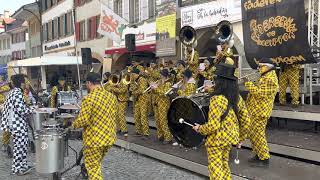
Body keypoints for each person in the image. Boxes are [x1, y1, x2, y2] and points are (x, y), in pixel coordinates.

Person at [193, 63, 251, 180]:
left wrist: (200, 128)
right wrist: (241, 138)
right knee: (224, 165)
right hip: (229, 138)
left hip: (216, 140)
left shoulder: (216, 99)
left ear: (220, 81)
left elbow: (213, 126)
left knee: (216, 171)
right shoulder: (237, 97)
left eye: (216, 79)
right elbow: (246, 120)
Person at [71, 72, 117, 180]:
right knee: (96, 165)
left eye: (86, 84)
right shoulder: (111, 96)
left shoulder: (89, 99)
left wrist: (72, 125)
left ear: (89, 83)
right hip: (109, 138)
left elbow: (83, 121)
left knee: (93, 167)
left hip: (94, 141)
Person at [244, 58, 279, 167]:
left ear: (267, 67)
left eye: (260, 66)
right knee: (253, 134)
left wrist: (248, 84)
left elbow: (260, 94)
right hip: (255, 110)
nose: (258, 68)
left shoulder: (270, 78)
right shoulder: (265, 76)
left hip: (260, 112)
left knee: (258, 135)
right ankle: (258, 154)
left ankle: (264, 158)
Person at [1, 74, 33, 175]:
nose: (27, 83)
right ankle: (17, 168)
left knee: (23, 145)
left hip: (17, 123)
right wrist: (33, 109)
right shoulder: (17, 93)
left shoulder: (14, 92)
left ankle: (23, 165)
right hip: (17, 124)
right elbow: (21, 110)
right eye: (26, 81)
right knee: (19, 147)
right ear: (22, 83)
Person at [151, 69, 173, 144]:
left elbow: (164, 94)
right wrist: (153, 88)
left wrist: (156, 88)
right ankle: (160, 135)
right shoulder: (160, 82)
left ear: (164, 75)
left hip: (164, 104)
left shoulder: (168, 83)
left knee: (163, 120)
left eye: (161, 74)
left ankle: (168, 137)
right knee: (157, 120)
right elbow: (155, 92)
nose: (159, 76)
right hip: (157, 102)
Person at [130, 68, 150, 138]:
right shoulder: (135, 80)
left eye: (132, 74)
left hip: (144, 100)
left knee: (143, 116)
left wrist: (134, 92)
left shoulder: (142, 80)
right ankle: (138, 131)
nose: (131, 76)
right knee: (136, 115)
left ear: (136, 74)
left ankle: (146, 133)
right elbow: (132, 89)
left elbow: (142, 90)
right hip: (138, 100)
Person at [0, 75, 11, 151]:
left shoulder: (7, 85)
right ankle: (5, 143)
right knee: (7, 125)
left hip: (10, 105)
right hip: (2, 105)